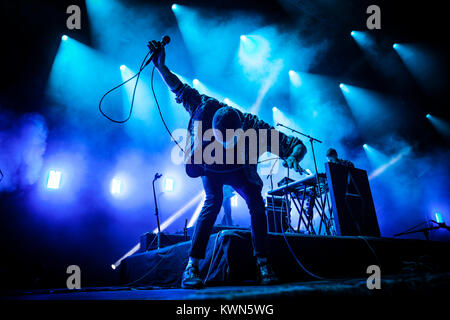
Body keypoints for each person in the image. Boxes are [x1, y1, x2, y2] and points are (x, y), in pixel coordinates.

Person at [147, 40, 307, 288]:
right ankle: (193, 266)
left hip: (241, 169)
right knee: (213, 202)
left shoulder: (256, 128)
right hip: (211, 166)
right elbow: (178, 87)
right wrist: (160, 67)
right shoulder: (203, 107)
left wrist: (293, 156)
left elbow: (296, 144)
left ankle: (262, 262)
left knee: (256, 203)